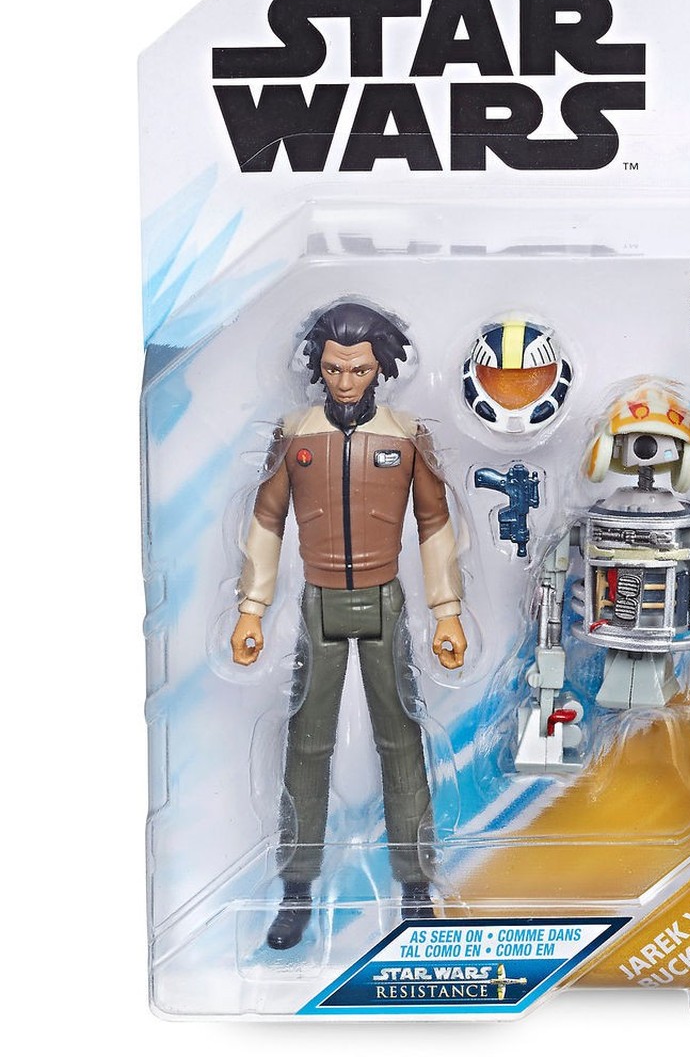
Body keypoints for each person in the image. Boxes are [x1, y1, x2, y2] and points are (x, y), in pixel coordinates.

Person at [231, 301, 467, 950]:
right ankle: (296, 888)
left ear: (379, 368)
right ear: (318, 365)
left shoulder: (406, 434)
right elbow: (267, 518)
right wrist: (252, 607)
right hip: (319, 602)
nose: (344, 381)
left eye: (358, 369)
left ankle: (415, 884)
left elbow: (435, 522)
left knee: (402, 741)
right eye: (334, 368)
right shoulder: (295, 434)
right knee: (307, 746)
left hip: (386, 602)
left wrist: (447, 612)